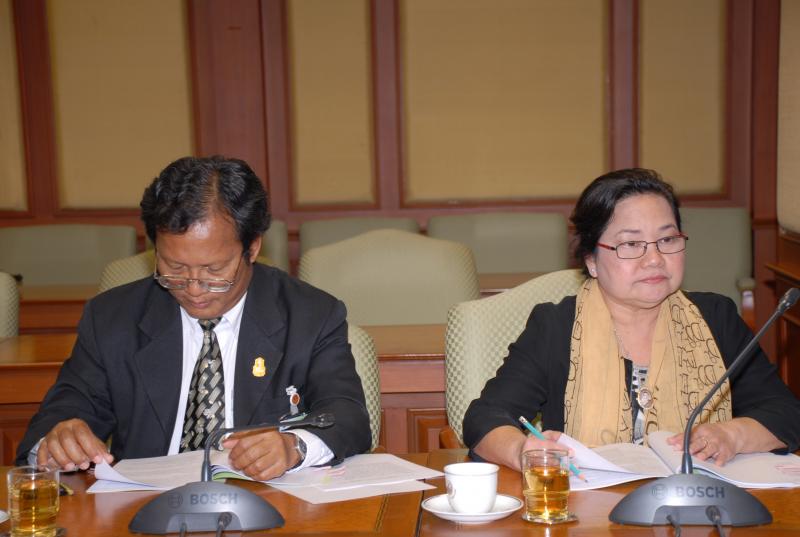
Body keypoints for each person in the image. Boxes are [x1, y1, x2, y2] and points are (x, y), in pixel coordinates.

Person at [16, 156, 371, 480]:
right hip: (141, 507)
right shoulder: (112, 318)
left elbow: (347, 416)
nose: (194, 287)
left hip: (267, 504)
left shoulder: (310, 315)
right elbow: (60, 415)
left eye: (214, 270)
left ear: (252, 247)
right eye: (174, 267)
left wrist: (294, 446)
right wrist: (58, 440)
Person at [463, 168, 800, 471]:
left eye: (667, 239)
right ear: (591, 260)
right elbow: (485, 418)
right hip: (590, 508)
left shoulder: (715, 318)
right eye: (630, 244)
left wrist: (733, 434)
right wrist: (523, 450)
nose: (654, 259)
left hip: (694, 505)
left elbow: (785, 412)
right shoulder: (556, 326)